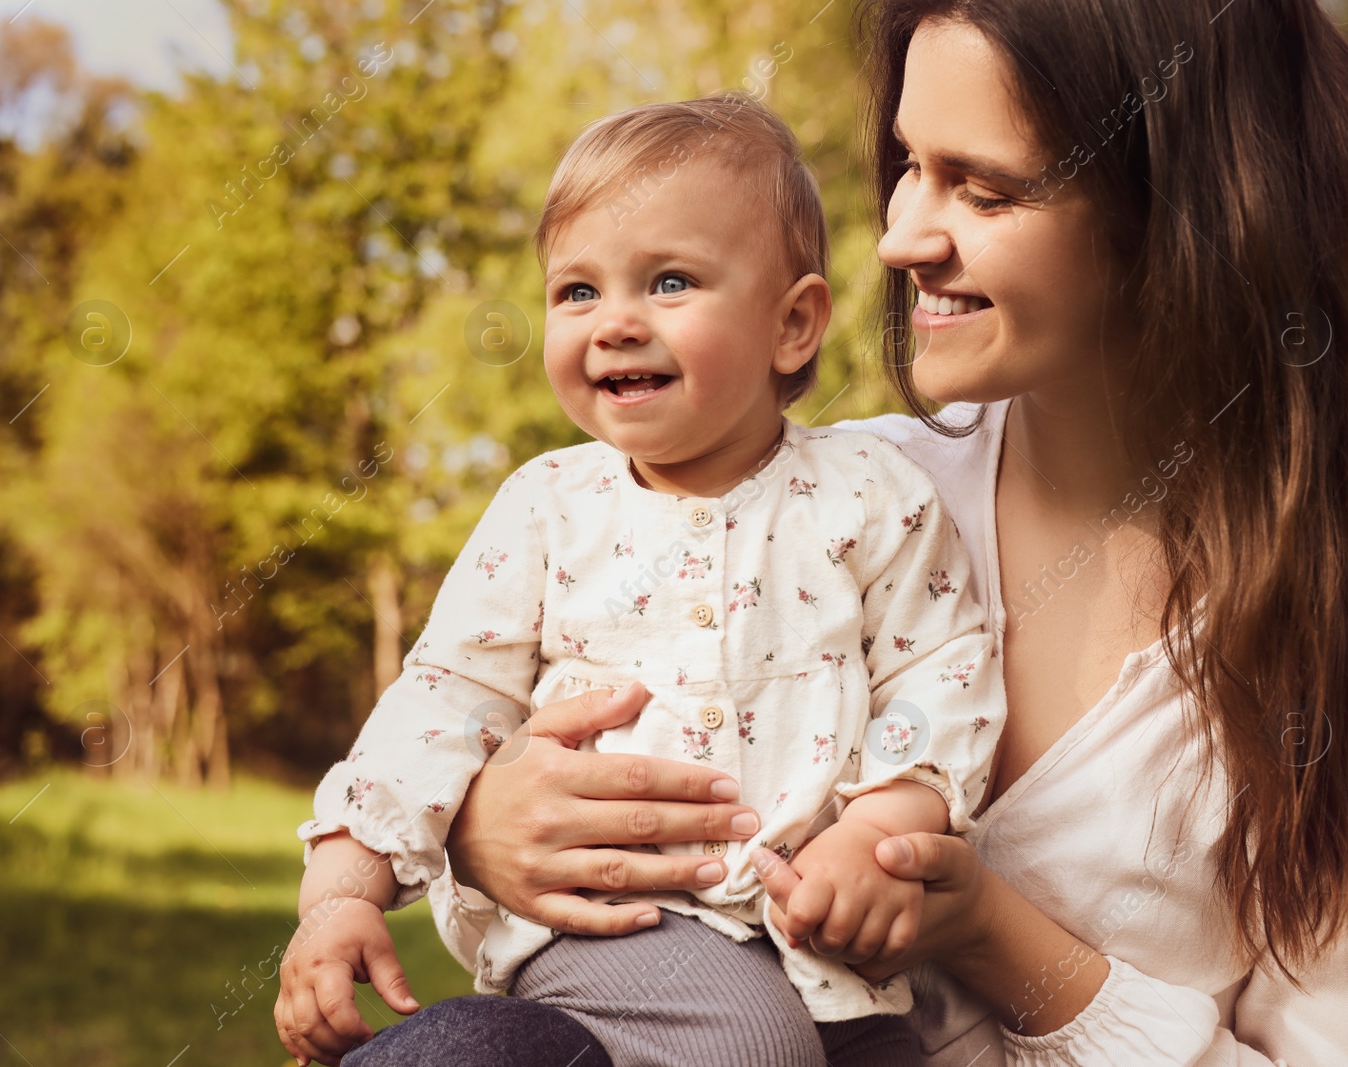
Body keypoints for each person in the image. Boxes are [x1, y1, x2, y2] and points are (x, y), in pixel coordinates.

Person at [272, 0, 1348, 1063]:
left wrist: (985, 928)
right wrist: (483, 827)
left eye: (985, 186)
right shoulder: (842, 494)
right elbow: (470, 708)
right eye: (908, 165)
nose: (903, 234)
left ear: (1184, 212)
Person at [274, 93, 1012, 1067]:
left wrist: (880, 826)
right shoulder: (547, 508)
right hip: (616, 930)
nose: (613, 323)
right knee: (743, 1042)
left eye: (667, 281)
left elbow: (940, 671)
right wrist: (340, 893)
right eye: (575, 291)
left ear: (792, 325)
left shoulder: (872, 497)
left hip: (833, 953)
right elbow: (444, 700)